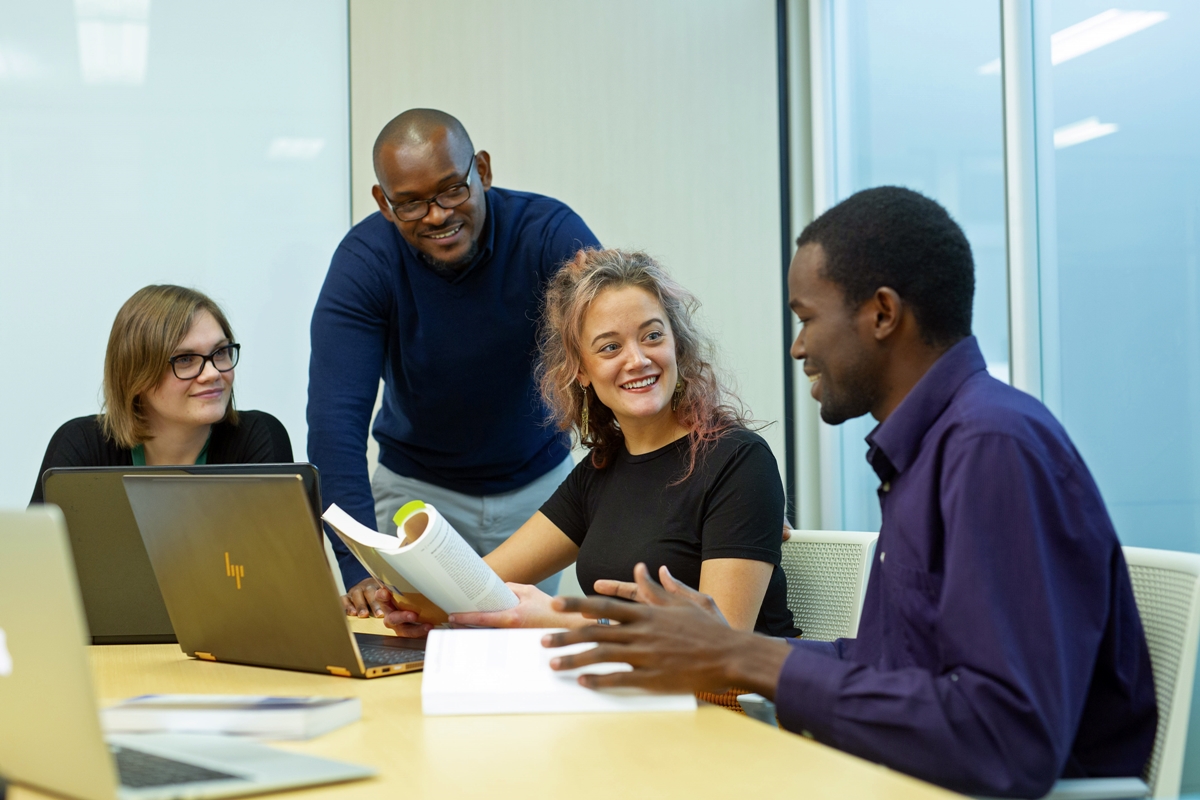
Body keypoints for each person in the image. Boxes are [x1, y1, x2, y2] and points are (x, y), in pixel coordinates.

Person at [538, 188, 1157, 798]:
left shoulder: (993, 447)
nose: (798, 346)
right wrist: (730, 648)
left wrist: (746, 660)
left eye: (807, 318)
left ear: (882, 315)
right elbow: (897, 665)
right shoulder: (929, 451)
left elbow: (1005, 739)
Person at [376, 249, 798, 637]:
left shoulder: (740, 462)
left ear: (677, 345)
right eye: (610, 347)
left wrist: (565, 619)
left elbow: (725, 643)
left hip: (731, 709)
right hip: (628, 695)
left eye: (652, 336)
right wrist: (404, 605)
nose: (637, 359)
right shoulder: (598, 473)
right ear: (581, 371)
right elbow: (477, 587)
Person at [310, 108, 600, 612]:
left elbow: (620, 357)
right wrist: (357, 568)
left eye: (452, 190)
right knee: (413, 645)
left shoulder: (548, 234)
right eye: (411, 203)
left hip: (538, 486)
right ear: (383, 202)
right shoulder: (364, 264)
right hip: (419, 493)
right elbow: (335, 424)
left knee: (513, 642)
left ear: (482, 171)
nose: (438, 214)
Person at [31, 284, 293, 502]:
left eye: (220, 352)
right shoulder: (82, 446)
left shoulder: (258, 438)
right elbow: (37, 560)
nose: (212, 373)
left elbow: (275, 561)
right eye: (185, 359)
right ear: (137, 375)